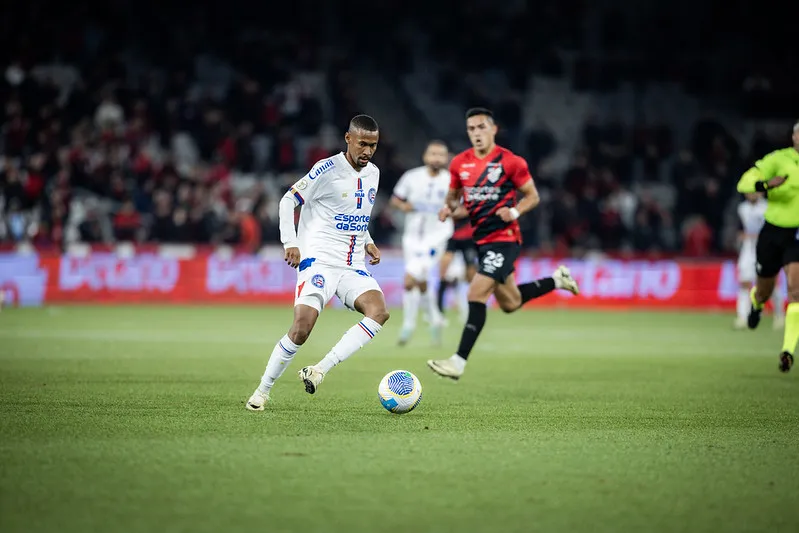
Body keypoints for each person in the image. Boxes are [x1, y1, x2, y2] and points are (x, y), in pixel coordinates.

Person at [246, 115, 388, 410]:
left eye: (373, 145)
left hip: (352, 265)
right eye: (363, 144)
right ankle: (263, 390)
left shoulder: (373, 173)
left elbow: (356, 215)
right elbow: (288, 200)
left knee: (378, 312)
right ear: (348, 139)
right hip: (319, 262)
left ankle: (320, 369)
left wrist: (368, 240)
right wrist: (291, 243)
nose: (367, 151)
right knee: (301, 328)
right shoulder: (326, 170)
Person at [427, 108, 580, 380]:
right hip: (482, 242)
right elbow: (462, 206)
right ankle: (557, 281)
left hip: (505, 240)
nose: (476, 133)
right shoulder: (459, 164)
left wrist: (515, 212)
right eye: (471, 129)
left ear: (493, 129)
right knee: (511, 302)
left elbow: (532, 196)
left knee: (475, 294)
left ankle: (458, 362)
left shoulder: (511, 162)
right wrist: (449, 210)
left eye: (481, 127)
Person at [738, 120, 799, 373]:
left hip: (797, 234)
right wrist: (764, 185)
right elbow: (744, 182)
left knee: (796, 291)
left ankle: (787, 351)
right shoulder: (778, 159)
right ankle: (757, 302)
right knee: (765, 288)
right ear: (794, 137)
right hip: (773, 233)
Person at [390, 140, 453, 346]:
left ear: (446, 159)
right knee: (421, 282)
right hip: (412, 237)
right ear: (425, 156)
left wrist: (450, 211)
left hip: (437, 237)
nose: (436, 158)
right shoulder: (412, 177)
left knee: (409, 280)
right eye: (432, 153)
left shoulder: (452, 181)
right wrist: (404, 206)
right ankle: (435, 318)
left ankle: (408, 325)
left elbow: (461, 208)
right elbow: (395, 200)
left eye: (440, 154)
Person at [734, 192, 785, 330]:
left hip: (766, 249)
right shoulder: (742, 208)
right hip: (748, 250)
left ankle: (780, 315)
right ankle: (742, 317)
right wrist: (742, 235)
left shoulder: (768, 207)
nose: (750, 194)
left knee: (771, 284)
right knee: (745, 283)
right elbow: (740, 229)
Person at [437, 218, 478, 323]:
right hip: (450, 238)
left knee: (470, 278)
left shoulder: (467, 204)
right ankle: (439, 313)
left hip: (468, 238)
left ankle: (469, 312)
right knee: (443, 276)